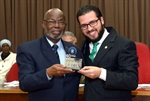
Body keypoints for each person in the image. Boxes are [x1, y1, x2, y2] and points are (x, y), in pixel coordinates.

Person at [17, 8, 82, 101]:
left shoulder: (74, 50)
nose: (57, 26)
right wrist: (48, 73)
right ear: (43, 24)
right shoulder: (28, 49)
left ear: (65, 25)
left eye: (61, 22)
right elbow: (25, 83)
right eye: (52, 22)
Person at [77, 4, 139, 101]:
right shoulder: (84, 44)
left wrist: (101, 73)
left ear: (101, 20)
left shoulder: (124, 44)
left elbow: (131, 81)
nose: (89, 29)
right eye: (84, 26)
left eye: (92, 23)